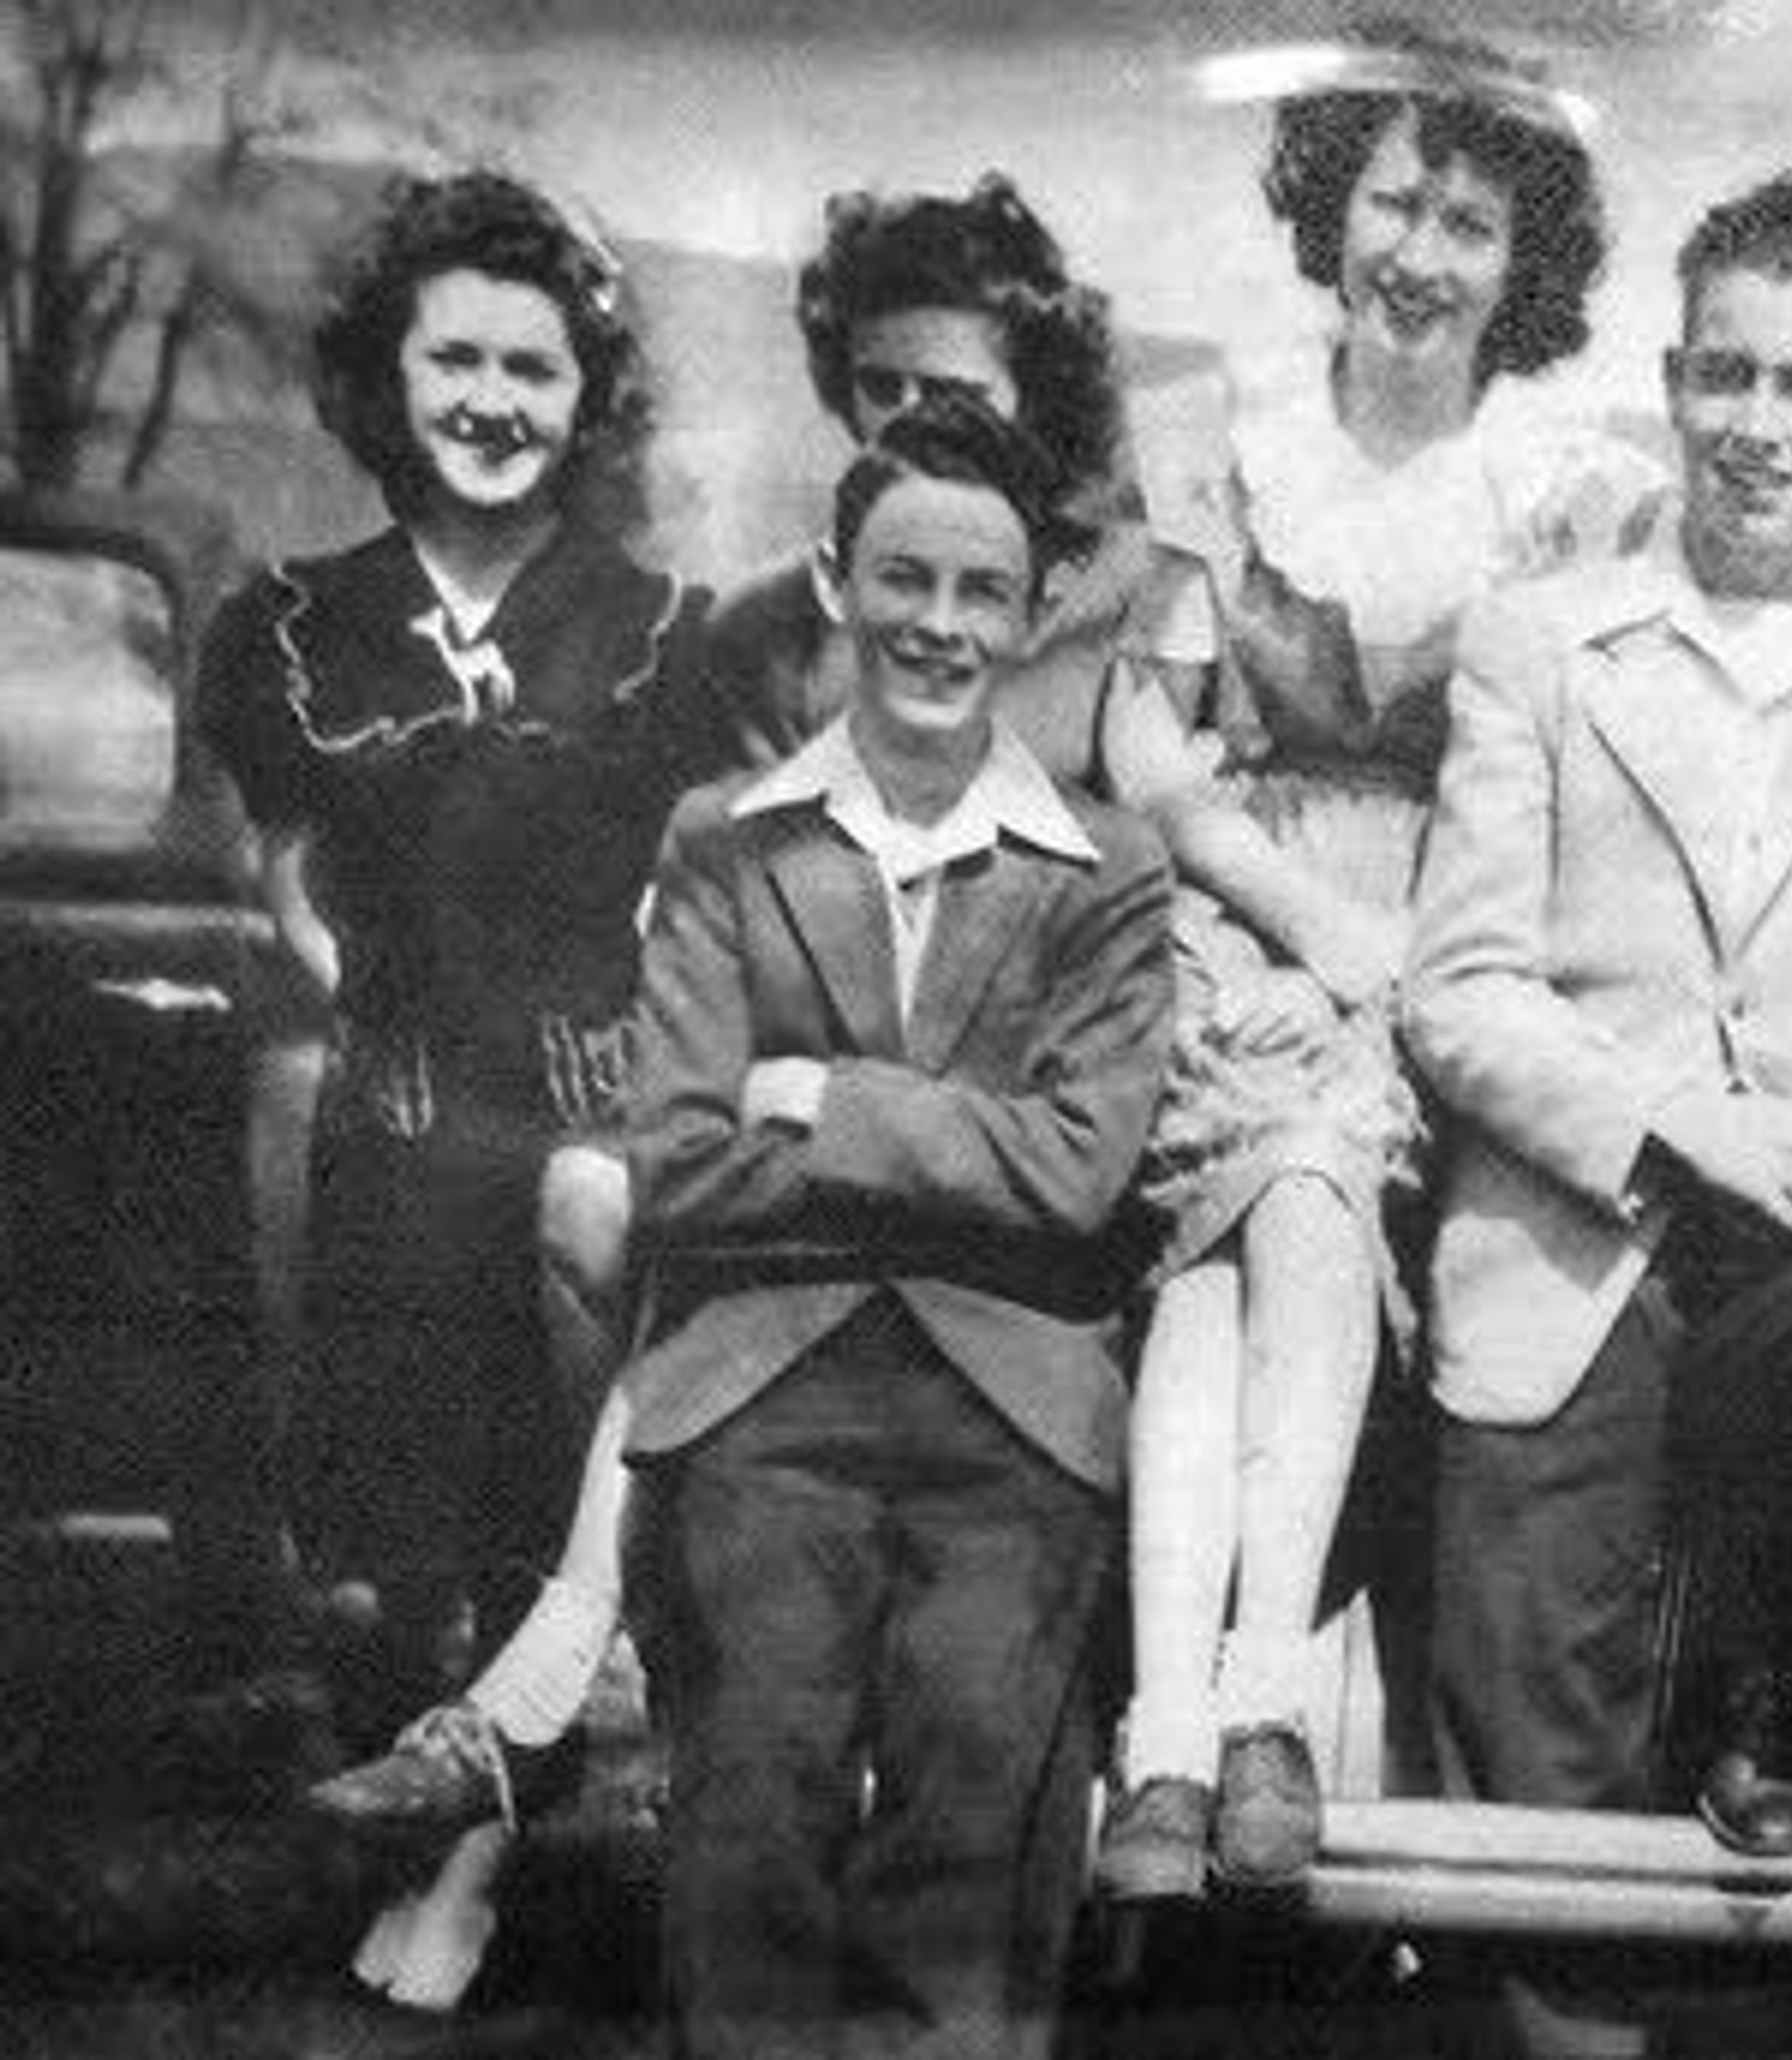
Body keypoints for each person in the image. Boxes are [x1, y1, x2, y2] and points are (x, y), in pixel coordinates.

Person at [309, 170, 1133, 1844]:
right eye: (881, 392)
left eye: (954, 393)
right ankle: (608, 1680)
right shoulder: (774, 623)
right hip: (811, 1091)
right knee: (613, 1192)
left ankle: (535, 1693)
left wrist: (824, 1086)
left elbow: (1110, 904)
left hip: (1015, 1108)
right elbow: (747, 917)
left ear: (1034, 395)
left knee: (731, 1204)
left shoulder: (1113, 603)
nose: (910, 420)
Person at [1406, 171, 1792, 2054]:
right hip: (1565, 1243)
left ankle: (1791, 1696)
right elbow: (1455, 987)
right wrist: (1678, 1123)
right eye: (1723, 378)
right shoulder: (1542, 637)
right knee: (1538, 1809)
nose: (1758, 427)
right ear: (1668, 385)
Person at [1088, 23, 1665, 1901]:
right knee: (1257, 1211)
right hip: (1241, 917)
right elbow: (1147, 744)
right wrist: (1300, 910)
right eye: (1394, 199)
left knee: (1269, 1225)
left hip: (1462, 932)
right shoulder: (1215, 438)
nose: (1423, 252)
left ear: (1528, 263)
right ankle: (1225, 1711)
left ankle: (1194, 1723)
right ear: (1329, 204)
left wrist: (1420, 945)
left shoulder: (1566, 484)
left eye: (1474, 221)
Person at [195, 170, 725, 2003]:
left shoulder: (664, 633)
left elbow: (691, 903)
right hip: (390, 1114)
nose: (495, 401)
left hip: (585, 1124)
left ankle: (479, 1864)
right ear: (387, 377)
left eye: (537, 365)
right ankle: (436, 1815)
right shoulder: (284, 624)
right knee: (381, 1531)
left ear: (588, 397)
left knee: (532, 1481)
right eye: (457, 360)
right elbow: (290, 893)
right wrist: (392, 1040)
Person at [621, 396, 1175, 2059]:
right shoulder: (725, 841)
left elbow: (1081, 1171)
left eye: (981, 591)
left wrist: (818, 1097)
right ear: (834, 579)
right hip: (763, 1384)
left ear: (1030, 615)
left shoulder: (1107, 870)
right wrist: (952, 1153)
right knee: (757, 1799)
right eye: (904, 577)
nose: (940, 623)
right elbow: (677, 1162)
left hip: (1012, 1395)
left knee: (978, 1809)